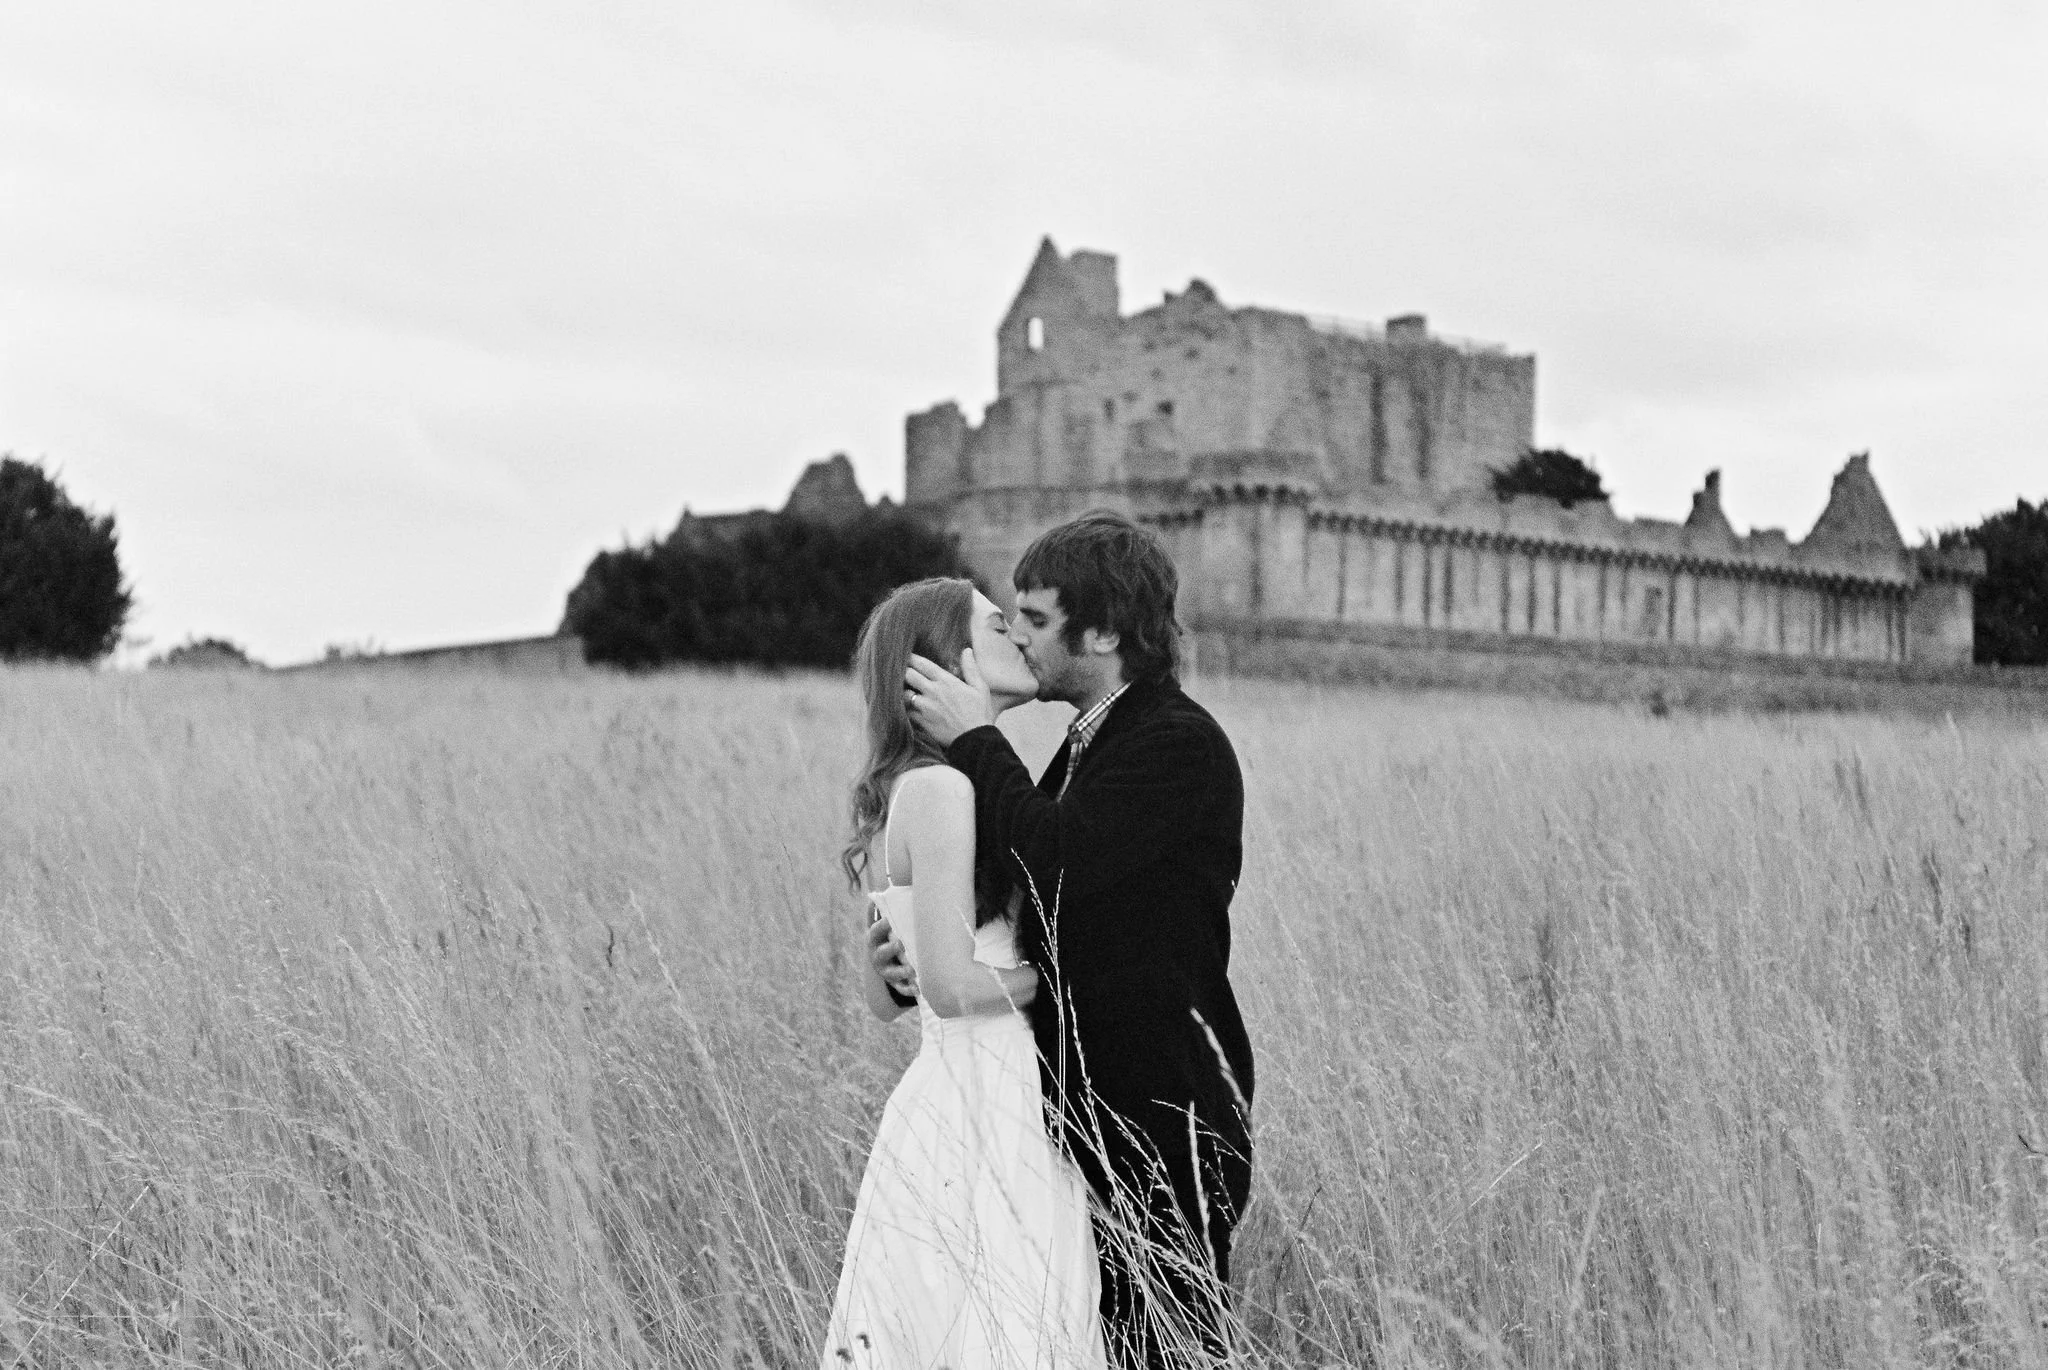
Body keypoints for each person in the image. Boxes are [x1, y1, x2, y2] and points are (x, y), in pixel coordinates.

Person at [887, 511, 1256, 1367]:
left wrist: (977, 738)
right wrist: (910, 947)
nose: (1016, 634)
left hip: (1164, 1119)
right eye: (1008, 615)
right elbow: (1028, 902)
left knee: (1170, 1350)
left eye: (1037, 619)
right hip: (1089, 1117)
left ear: (1103, 632)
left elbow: (1059, 862)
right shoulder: (1086, 745)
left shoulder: (1176, 744)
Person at [820, 577, 1106, 1370]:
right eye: (993, 622)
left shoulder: (945, 782)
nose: (1017, 631)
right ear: (947, 660)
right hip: (988, 1101)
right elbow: (946, 990)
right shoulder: (944, 789)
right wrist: (1070, 978)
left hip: (965, 1090)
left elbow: (886, 995)